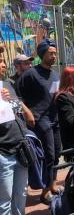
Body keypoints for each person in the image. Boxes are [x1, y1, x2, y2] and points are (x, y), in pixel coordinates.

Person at [17, 38, 62, 204]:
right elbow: (16, 96)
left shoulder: (55, 74)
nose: (54, 56)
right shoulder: (30, 74)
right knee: (49, 154)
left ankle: (52, 185)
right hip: (39, 119)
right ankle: (44, 193)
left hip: (54, 118)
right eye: (50, 53)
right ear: (42, 54)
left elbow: (54, 94)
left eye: (55, 54)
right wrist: (27, 112)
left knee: (57, 152)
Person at [0, 60, 28, 215]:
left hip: (20, 148)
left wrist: (10, 99)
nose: (3, 65)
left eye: (3, 62)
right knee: (4, 200)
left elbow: (18, 109)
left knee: (21, 195)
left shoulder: (6, 84)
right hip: (3, 152)